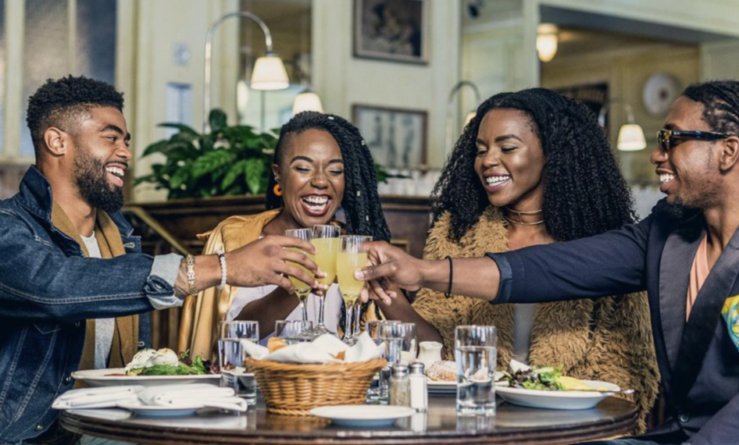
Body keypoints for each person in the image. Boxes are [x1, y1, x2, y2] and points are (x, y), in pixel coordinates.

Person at [358, 80, 739, 445]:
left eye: (671, 139)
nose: (656, 155)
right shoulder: (671, 229)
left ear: (728, 151)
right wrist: (421, 270)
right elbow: (551, 268)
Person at [0, 76, 320, 444]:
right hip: (35, 435)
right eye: (111, 137)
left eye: (126, 140)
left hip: (114, 426)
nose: (125, 152)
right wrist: (222, 266)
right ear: (58, 141)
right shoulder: (10, 229)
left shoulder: (121, 239)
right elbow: (56, 286)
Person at [376, 88, 658, 432]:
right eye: (481, 150)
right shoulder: (458, 233)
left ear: (553, 153)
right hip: (473, 426)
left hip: (570, 431)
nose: (488, 160)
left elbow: (625, 374)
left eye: (507, 148)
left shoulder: (604, 245)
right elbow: (438, 354)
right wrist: (388, 292)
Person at [178, 111, 391, 358]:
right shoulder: (236, 237)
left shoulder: (351, 248)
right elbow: (226, 346)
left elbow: (402, 342)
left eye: (335, 171)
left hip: (333, 390)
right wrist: (296, 283)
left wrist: (394, 280)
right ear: (278, 174)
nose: (321, 181)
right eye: (303, 168)